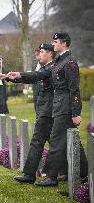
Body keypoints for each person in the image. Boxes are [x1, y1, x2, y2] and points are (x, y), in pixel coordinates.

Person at [34, 32, 88, 187]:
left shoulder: (69, 62)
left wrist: (76, 113)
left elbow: (74, 89)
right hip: (58, 105)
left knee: (56, 141)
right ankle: (84, 173)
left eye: (56, 41)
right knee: (74, 141)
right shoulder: (60, 60)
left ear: (64, 43)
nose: (54, 44)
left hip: (65, 107)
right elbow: (45, 74)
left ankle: (51, 177)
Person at [0, 43, 55, 183]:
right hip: (46, 109)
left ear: (50, 54)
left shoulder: (52, 67)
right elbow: (35, 76)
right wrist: (9, 77)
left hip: (48, 110)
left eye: (42, 51)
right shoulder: (47, 67)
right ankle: (79, 172)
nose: (39, 54)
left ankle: (29, 174)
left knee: (38, 141)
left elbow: (36, 75)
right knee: (57, 141)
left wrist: (18, 75)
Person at [31, 49, 42, 113]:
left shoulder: (44, 64)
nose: (36, 57)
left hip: (41, 85)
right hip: (35, 85)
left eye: (37, 55)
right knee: (35, 100)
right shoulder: (35, 64)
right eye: (35, 55)